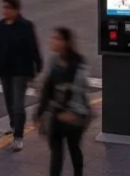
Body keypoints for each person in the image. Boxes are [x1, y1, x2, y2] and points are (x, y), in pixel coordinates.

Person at [0, 0, 43, 151]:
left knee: (18, 105)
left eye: (8, 8)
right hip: (5, 71)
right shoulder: (0, 26)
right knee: (10, 103)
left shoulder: (26, 26)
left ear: (16, 10)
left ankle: (18, 136)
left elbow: (33, 50)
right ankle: (13, 124)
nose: (5, 11)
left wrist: (35, 71)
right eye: (4, 7)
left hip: (21, 72)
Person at [38, 27, 91, 176]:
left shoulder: (77, 63)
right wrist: (40, 112)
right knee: (56, 154)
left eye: (57, 38)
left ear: (65, 42)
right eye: (52, 38)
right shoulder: (53, 60)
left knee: (74, 148)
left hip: (75, 115)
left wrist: (70, 112)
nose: (52, 41)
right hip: (57, 115)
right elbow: (47, 88)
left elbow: (76, 90)